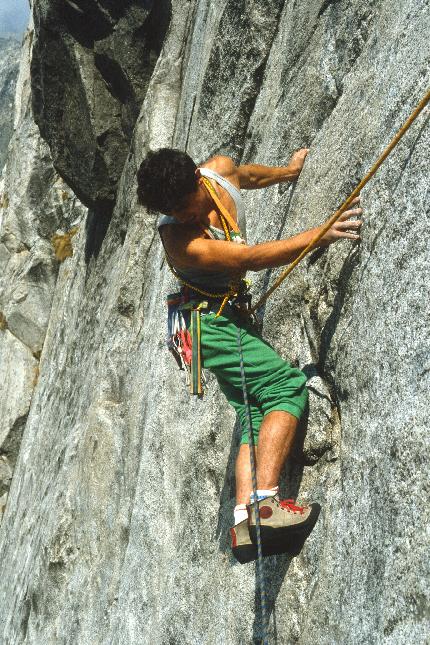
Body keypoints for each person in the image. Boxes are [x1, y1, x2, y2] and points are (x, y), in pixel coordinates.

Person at [136, 148, 362, 563]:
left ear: (198, 180)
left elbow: (245, 176)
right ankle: (265, 504)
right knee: (285, 388)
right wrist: (321, 232)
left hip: (222, 319)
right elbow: (249, 259)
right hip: (209, 326)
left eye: (186, 207)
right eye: (173, 212)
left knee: (253, 412)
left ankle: (245, 521)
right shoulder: (181, 240)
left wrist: (289, 172)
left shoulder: (218, 172)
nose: (185, 217)